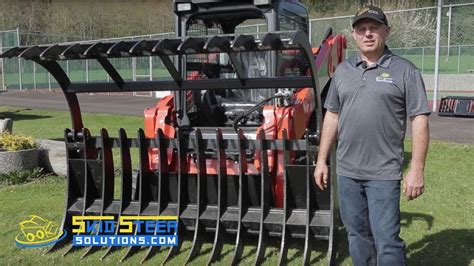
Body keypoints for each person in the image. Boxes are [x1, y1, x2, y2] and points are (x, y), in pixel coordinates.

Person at [313, 5, 430, 266]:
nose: (368, 34)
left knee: (387, 240)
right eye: (361, 29)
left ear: (386, 32)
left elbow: (419, 118)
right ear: (353, 35)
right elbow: (332, 116)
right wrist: (322, 160)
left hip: (383, 173)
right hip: (347, 173)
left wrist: (417, 169)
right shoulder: (342, 72)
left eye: (374, 28)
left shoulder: (405, 71)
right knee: (357, 236)